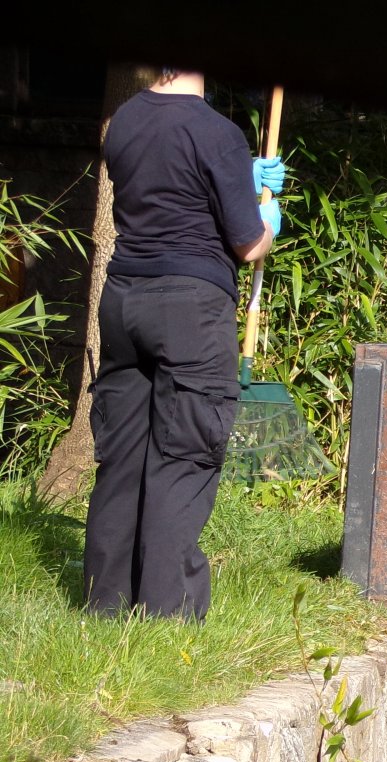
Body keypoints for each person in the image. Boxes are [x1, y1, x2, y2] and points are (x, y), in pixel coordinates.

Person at [83, 70, 285, 620]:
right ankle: (166, 615)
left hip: (123, 300)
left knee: (122, 454)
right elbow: (248, 245)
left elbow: (170, 182)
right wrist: (268, 220)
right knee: (185, 453)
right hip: (190, 309)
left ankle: (105, 604)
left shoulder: (126, 120)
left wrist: (236, 175)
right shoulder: (216, 132)